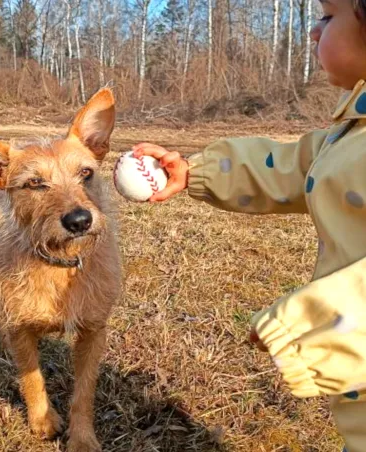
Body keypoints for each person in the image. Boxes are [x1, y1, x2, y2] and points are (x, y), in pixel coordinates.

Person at [133, 1, 366, 450]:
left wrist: (311, 323)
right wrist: (198, 171)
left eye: (328, 17)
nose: (314, 32)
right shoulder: (353, 129)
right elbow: (291, 166)